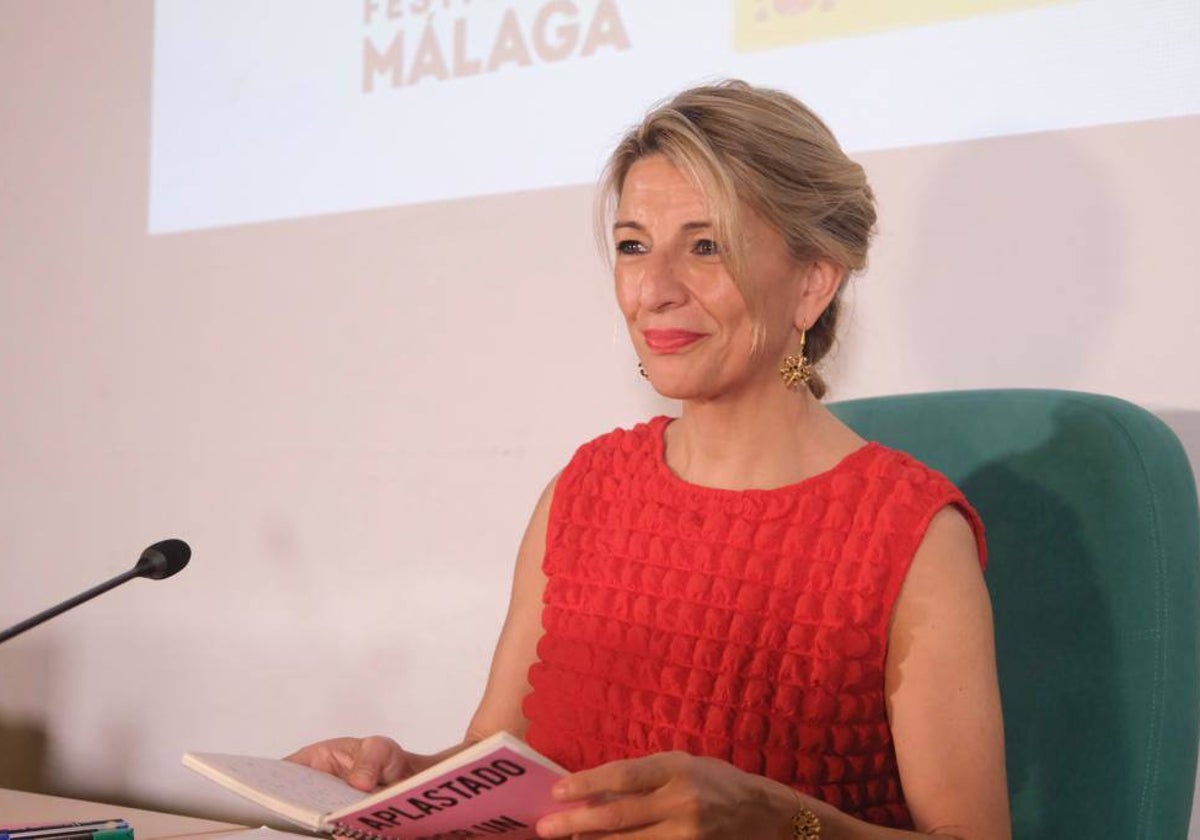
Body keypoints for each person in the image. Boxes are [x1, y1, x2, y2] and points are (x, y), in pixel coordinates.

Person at [287, 80, 1011, 839]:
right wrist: (401, 780)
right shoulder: (584, 490)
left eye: (706, 247)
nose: (654, 289)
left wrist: (779, 822)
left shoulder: (912, 536)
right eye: (634, 246)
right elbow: (499, 759)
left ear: (812, 282)